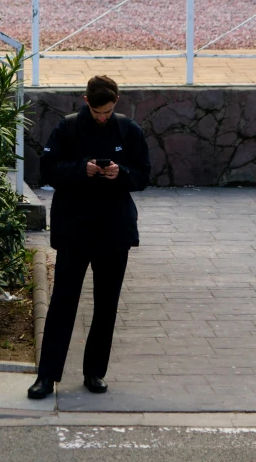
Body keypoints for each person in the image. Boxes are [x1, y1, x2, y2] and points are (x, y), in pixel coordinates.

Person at [27, 74, 151, 399]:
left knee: (106, 304)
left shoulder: (128, 130)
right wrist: (82, 169)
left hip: (115, 231)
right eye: (97, 112)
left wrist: (119, 173)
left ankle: (94, 372)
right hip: (74, 230)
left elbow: (143, 174)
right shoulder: (67, 128)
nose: (102, 117)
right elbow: (48, 170)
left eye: (108, 112)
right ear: (86, 101)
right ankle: (46, 377)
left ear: (116, 103)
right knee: (62, 304)